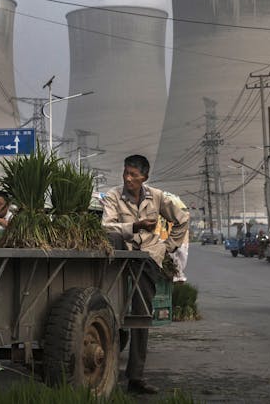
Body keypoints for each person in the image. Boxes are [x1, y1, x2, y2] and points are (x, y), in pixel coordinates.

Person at [102, 155, 189, 395]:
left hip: (148, 260)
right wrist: (136, 226)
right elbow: (107, 227)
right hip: (120, 259)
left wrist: (168, 246)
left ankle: (136, 377)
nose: (128, 178)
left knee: (141, 316)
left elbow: (183, 217)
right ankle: (105, 368)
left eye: (133, 175)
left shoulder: (158, 196)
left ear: (145, 177)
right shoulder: (113, 196)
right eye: (125, 173)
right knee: (112, 310)